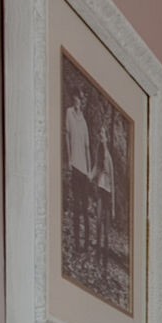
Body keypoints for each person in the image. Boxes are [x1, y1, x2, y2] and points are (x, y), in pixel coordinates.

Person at [64, 89, 94, 255]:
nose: (79, 101)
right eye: (77, 97)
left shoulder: (84, 122)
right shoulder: (69, 113)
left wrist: (89, 170)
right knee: (76, 206)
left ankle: (87, 244)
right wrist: (69, 159)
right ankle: (77, 244)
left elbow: (87, 148)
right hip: (75, 166)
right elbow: (67, 136)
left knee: (84, 206)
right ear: (74, 97)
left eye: (81, 99)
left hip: (84, 170)